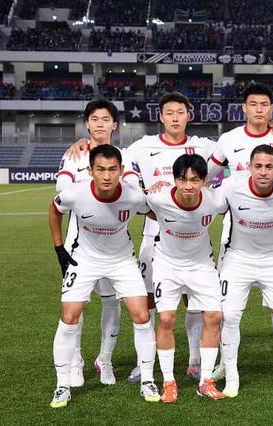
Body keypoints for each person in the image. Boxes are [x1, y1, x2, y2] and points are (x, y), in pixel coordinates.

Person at [66, 92, 217, 383]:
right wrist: (85, 144)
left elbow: (239, 151)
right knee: (148, 302)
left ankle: (195, 361)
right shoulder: (142, 146)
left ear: (189, 115)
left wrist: (270, 127)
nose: (175, 118)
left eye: (180, 112)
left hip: (193, 237)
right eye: (169, 113)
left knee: (194, 301)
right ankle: (143, 363)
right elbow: (109, 155)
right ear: (160, 117)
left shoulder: (205, 146)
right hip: (154, 234)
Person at [206, 83, 273, 382]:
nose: (259, 109)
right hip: (235, 231)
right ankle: (224, 362)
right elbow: (206, 175)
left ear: (271, 109)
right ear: (244, 108)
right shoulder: (229, 139)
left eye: (264, 104)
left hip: (272, 229)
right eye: (253, 104)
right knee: (228, 307)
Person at [48, 145, 158, 408]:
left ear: (121, 170)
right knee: (69, 315)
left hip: (122, 260)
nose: (106, 176)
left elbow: (156, 212)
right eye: (100, 169)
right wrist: (59, 247)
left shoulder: (133, 196)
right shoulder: (75, 193)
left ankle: (147, 380)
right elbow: (54, 210)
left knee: (141, 315)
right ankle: (62, 385)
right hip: (84, 260)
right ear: (90, 171)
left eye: (112, 169)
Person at [215, 144, 273, 398]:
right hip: (237, 259)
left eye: (269, 167)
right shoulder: (231, 186)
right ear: (249, 167)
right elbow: (206, 200)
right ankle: (231, 376)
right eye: (258, 166)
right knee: (230, 316)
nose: (263, 172)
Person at [145, 154, 225, 402]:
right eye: (182, 180)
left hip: (201, 265)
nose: (188, 186)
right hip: (167, 265)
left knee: (214, 316)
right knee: (166, 318)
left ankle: (206, 381)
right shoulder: (157, 197)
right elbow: (133, 201)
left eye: (194, 180)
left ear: (204, 181)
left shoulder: (216, 200)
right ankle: (169, 381)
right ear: (174, 180)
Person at [55, 99, 122, 387]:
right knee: (75, 304)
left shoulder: (125, 156)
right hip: (79, 244)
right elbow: (62, 192)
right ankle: (76, 361)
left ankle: (104, 360)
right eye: (94, 119)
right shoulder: (75, 155)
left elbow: (133, 191)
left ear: (114, 124)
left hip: (114, 245)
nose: (100, 124)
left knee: (112, 303)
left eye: (105, 119)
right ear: (87, 124)